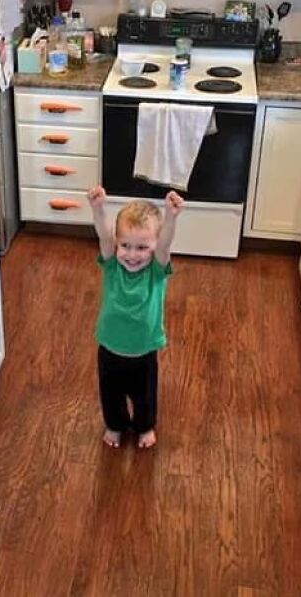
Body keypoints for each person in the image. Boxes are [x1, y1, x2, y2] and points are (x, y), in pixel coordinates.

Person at [87, 185, 184, 449]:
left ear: (154, 249)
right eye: (126, 245)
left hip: (143, 351)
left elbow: (165, 244)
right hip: (109, 348)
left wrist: (171, 217)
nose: (131, 254)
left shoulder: (155, 271)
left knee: (145, 396)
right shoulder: (112, 266)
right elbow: (104, 238)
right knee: (111, 394)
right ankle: (115, 425)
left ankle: (144, 426)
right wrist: (98, 210)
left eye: (142, 247)